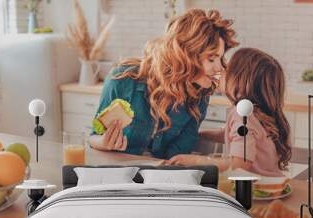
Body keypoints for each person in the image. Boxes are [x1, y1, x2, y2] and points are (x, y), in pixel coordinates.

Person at [89, 9, 238, 159]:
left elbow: (177, 155)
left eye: (220, 58)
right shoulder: (123, 79)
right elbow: (94, 137)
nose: (219, 68)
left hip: (161, 177)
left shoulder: (199, 96)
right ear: (185, 55)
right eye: (211, 59)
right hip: (118, 173)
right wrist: (104, 142)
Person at [165, 48, 292, 177]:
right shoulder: (258, 114)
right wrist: (199, 134)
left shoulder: (242, 116)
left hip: (254, 190)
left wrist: (195, 161)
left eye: (227, 69)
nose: (221, 70)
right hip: (274, 186)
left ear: (241, 81)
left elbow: (240, 163)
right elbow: (231, 133)